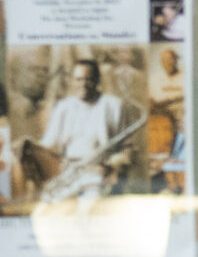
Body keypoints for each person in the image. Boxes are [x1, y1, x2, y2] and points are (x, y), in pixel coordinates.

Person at [25, 57, 127, 188]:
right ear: (72, 81)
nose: (83, 84)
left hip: (99, 175)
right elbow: (48, 145)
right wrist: (29, 147)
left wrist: (111, 166)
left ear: (97, 80)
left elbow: (126, 150)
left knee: (88, 203)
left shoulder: (113, 105)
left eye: (88, 79)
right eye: (78, 79)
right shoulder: (64, 107)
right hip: (68, 173)